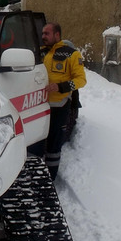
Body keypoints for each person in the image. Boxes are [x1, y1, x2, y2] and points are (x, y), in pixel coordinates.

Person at [41, 22, 87, 180]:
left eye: (47, 33)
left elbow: (81, 80)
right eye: (42, 33)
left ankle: (50, 178)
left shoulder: (71, 54)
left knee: (53, 144)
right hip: (36, 106)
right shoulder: (39, 52)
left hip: (58, 107)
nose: (43, 36)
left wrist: (61, 87)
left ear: (57, 35)